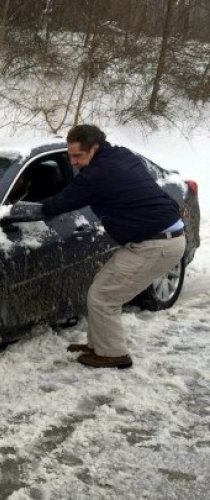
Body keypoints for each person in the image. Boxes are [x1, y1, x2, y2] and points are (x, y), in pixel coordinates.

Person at [41, 124, 185, 369]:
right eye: (70, 155)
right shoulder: (120, 155)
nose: (73, 162)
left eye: (78, 156)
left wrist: (34, 208)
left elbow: (59, 204)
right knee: (101, 288)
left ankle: (113, 355)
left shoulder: (98, 174)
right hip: (161, 236)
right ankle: (99, 345)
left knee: (104, 297)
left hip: (154, 244)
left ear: (95, 148)